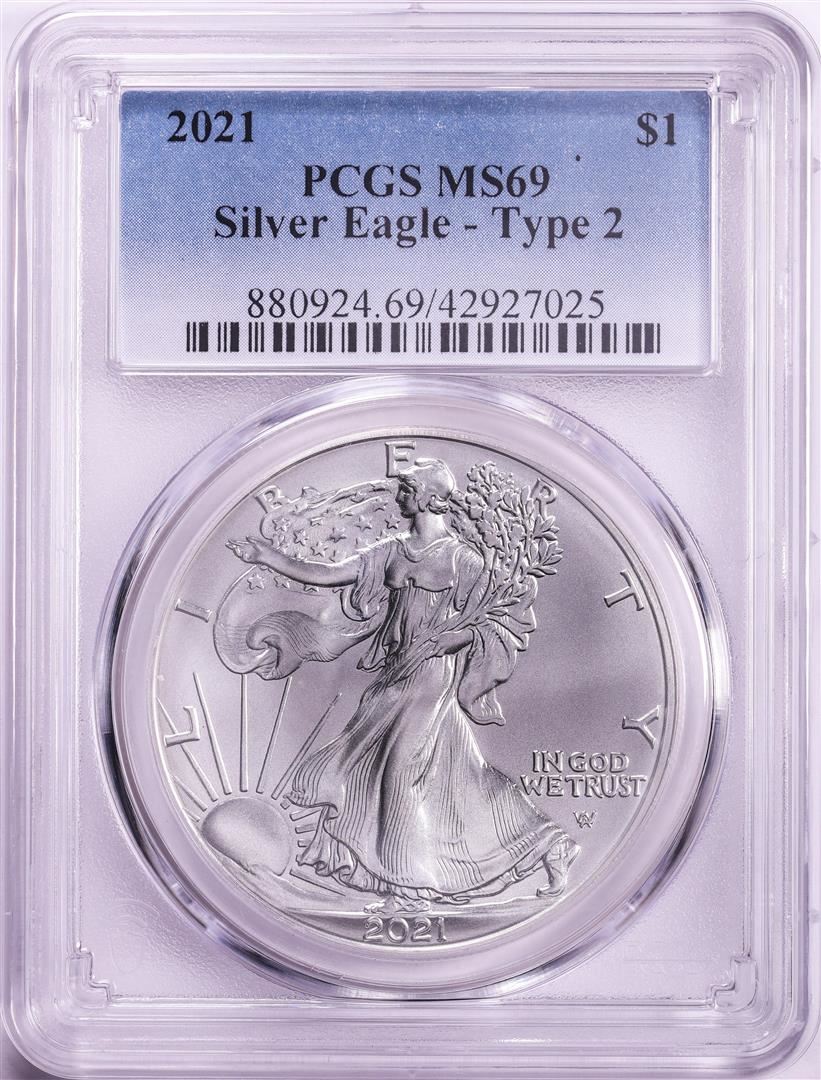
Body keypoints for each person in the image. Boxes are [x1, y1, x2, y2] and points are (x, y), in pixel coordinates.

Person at [228, 458, 578, 912]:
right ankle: (548, 845)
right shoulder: (392, 551)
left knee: (400, 774)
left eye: (409, 489)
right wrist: (267, 557)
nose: (400, 496)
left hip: (433, 676)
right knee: (439, 774)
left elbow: (499, 620)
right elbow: (330, 573)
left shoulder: (464, 560)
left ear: (430, 498)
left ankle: (409, 890)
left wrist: (455, 638)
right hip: (396, 673)